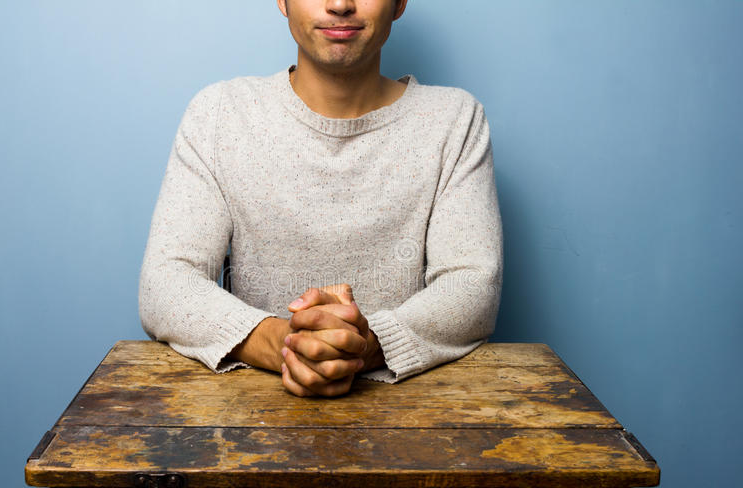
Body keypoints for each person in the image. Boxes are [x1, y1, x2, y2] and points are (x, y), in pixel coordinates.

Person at [138, 0, 503, 397]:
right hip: (249, 417)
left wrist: (366, 344)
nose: (340, 4)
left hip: (419, 416)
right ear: (282, 1)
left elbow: (472, 287)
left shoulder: (454, 120)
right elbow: (166, 283)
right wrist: (282, 343)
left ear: (399, 3)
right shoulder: (220, 114)